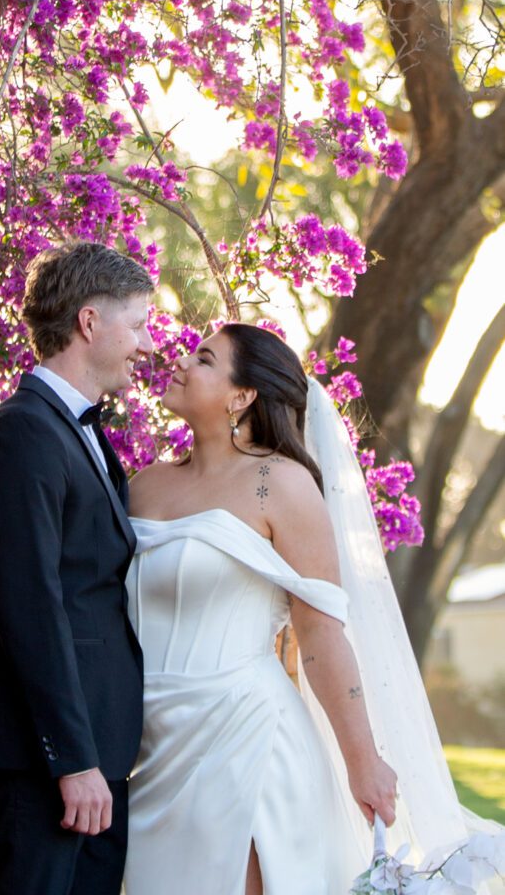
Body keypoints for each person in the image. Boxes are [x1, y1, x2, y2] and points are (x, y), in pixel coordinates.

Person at [123, 323, 504, 895]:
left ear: (242, 395)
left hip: (245, 739)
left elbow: (321, 634)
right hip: (149, 745)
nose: (180, 362)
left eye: (204, 359)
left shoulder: (280, 485)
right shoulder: (142, 487)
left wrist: (363, 762)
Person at [0, 241, 153, 895]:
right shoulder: (22, 436)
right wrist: (70, 760)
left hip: (92, 760)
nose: (146, 346)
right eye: (138, 325)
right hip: (43, 766)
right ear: (89, 324)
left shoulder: (74, 432)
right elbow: (29, 609)